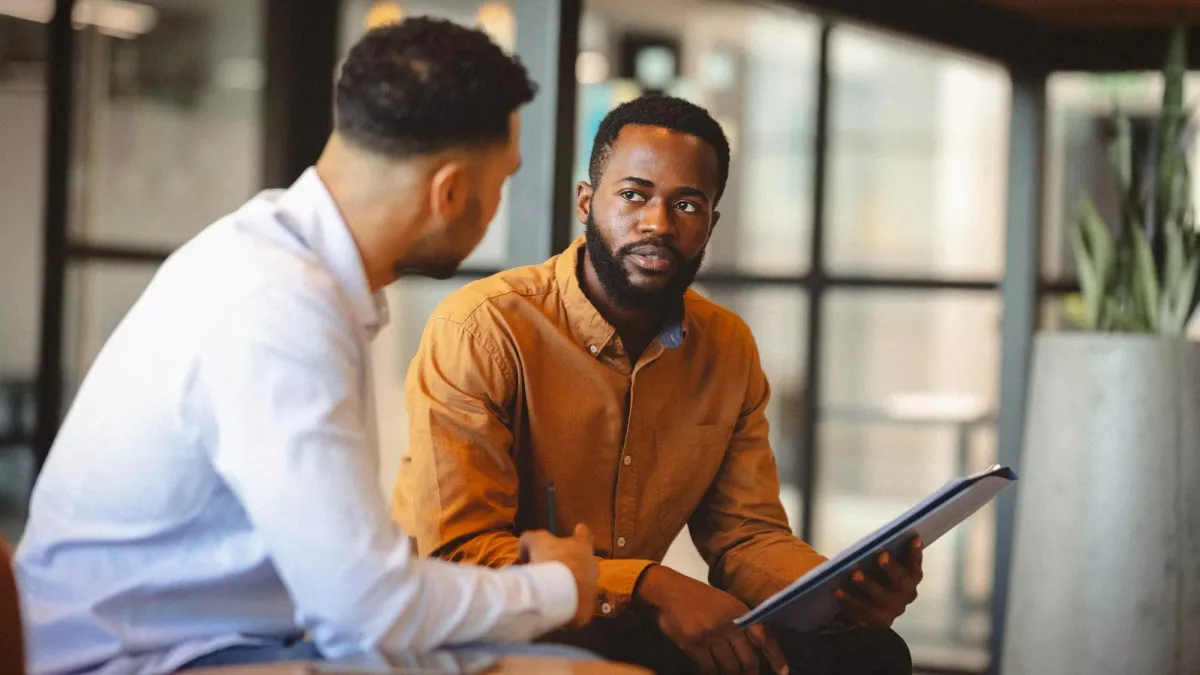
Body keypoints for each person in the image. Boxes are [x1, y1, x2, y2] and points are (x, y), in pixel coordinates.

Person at [14, 18, 599, 675]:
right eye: (503, 180)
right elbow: (369, 610)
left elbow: (353, 586)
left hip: (229, 634)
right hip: (142, 660)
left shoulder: (278, 254)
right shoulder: (278, 306)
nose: (498, 202)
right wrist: (562, 585)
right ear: (451, 191)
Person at [393, 95, 921, 675]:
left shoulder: (726, 346)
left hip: (633, 626)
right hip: (495, 631)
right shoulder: (483, 328)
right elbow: (458, 552)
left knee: (866, 653)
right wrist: (649, 583)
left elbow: (746, 536)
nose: (658, 224)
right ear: (586, 202)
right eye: (633, 195)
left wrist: (836, 592)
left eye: (687, 204)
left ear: (711, 224)